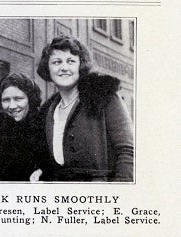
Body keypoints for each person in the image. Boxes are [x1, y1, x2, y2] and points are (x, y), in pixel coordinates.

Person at [37, 35, 134, 182]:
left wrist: (118, 193)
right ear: (48, 68)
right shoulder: (49, 111)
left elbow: (127, 151)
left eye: (71, 61)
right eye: (56, 62)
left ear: (80, 66)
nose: (64, 67)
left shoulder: (104, 97)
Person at [0, 73, 48, 181]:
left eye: (18, 99)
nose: (12, 106)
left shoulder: (44, 127)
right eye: (6, 100)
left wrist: (43, 170)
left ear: (30, 99)